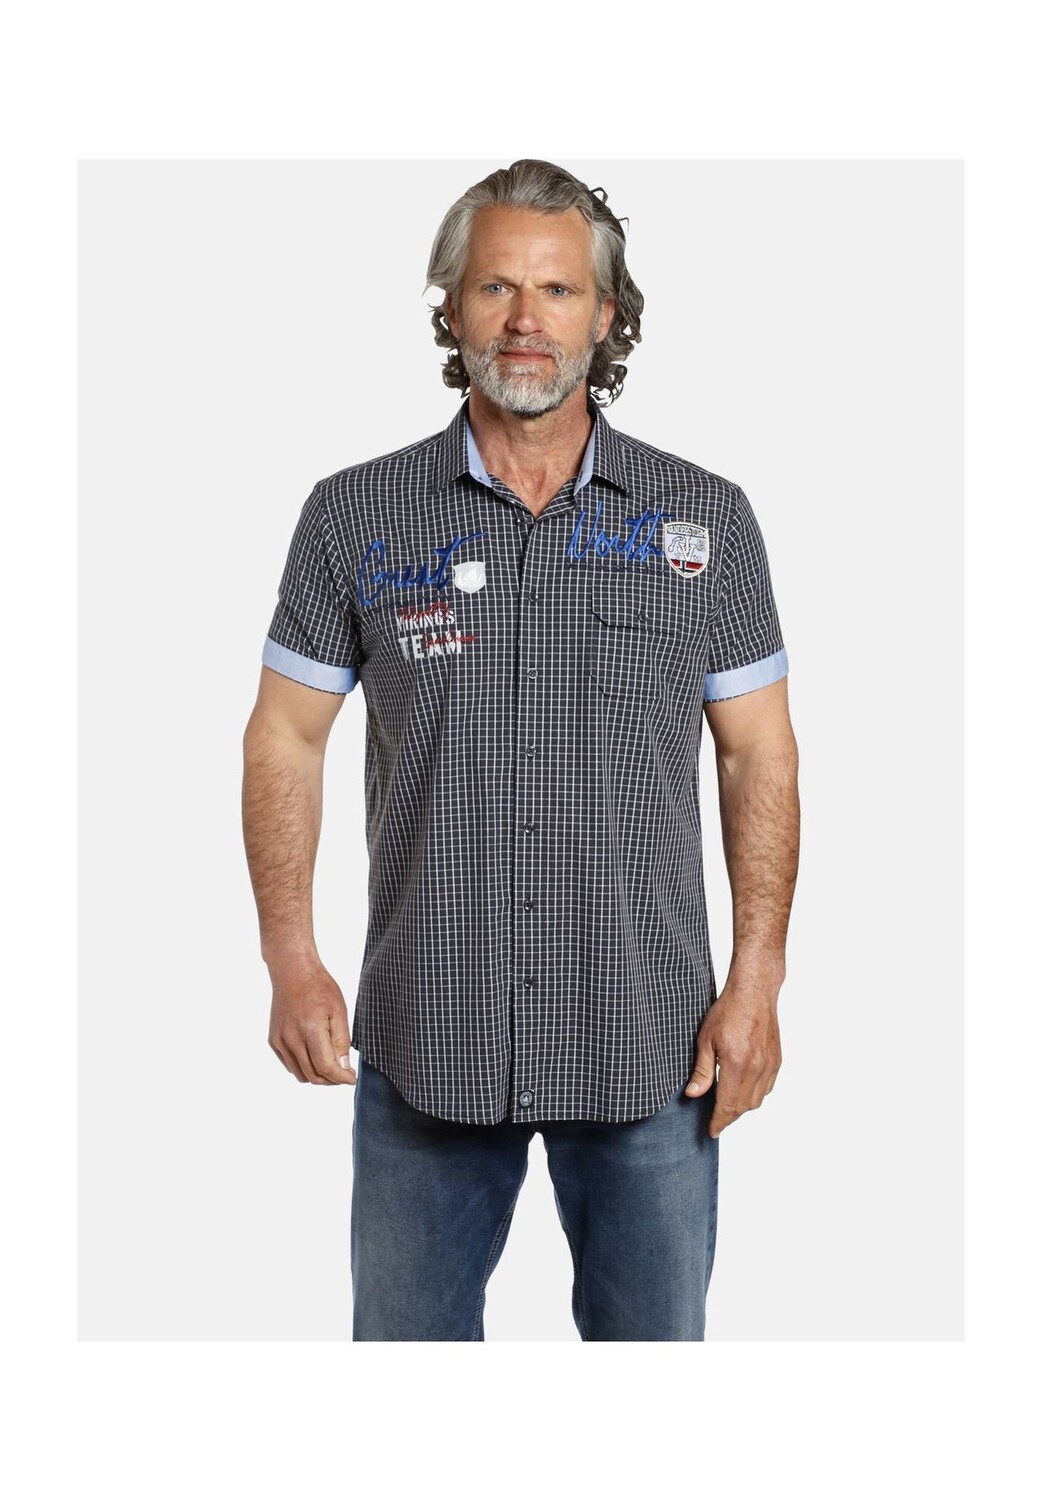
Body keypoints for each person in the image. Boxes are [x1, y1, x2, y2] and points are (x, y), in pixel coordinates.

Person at [241, 158, 800, 1342]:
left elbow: (757, 756)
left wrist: (756, 982)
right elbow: (285, 737)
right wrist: (290, 959)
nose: (526, 320)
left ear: (607, 314)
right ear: (452, 307)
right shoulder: (353, 515)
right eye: (496, 287)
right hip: (427, 1039)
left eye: (557, 289)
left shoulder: (706, 519)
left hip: (651, 1044)